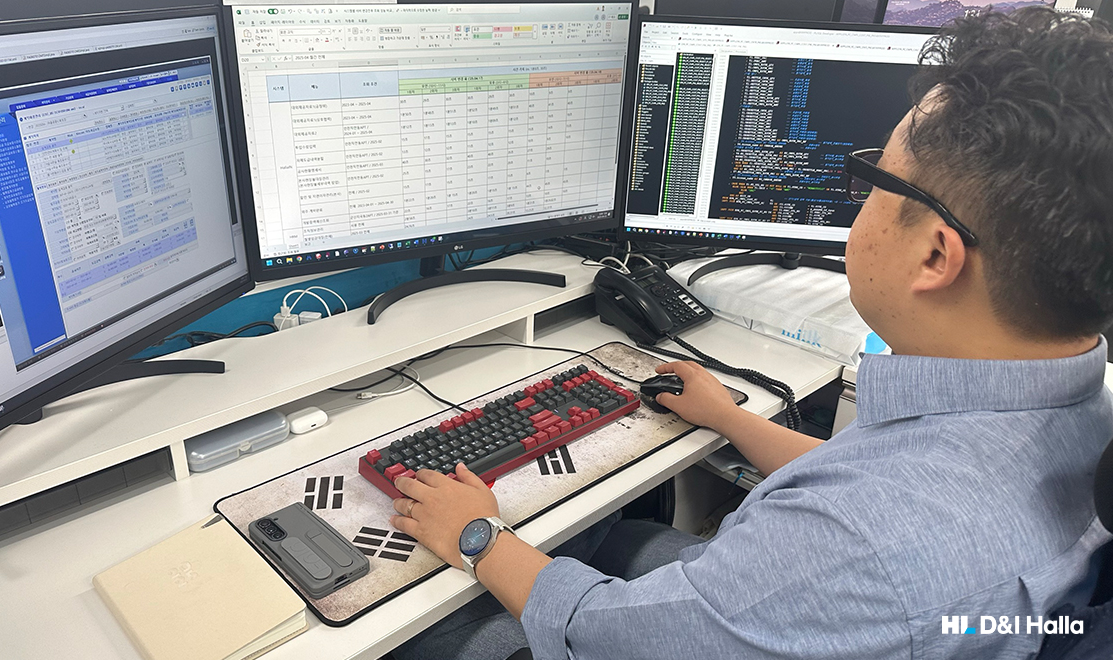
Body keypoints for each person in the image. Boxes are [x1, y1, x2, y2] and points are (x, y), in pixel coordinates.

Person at [390, 7, 1113, 659]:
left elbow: (600, 633)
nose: (860, 199)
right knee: (605, 533)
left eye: (874, 177)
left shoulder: (853, 543)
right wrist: (732, 419)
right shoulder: (1073, 412)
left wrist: (477, 535)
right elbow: (876, 486)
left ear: (935, 255)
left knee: (430, 627)